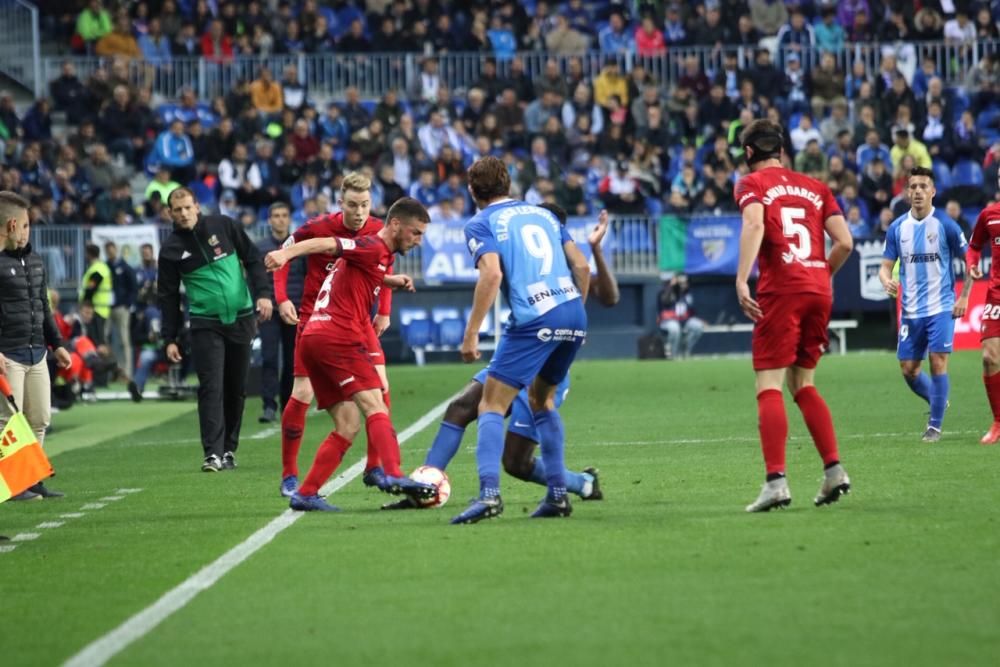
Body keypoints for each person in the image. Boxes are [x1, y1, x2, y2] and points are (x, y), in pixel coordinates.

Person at [388, 206, 618, 510]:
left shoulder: (565, 263)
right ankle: (425, 487)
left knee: (516, 462)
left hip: (543, 367)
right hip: (519, 352)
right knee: (461, 407)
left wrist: (595, 250)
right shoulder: (531, 257)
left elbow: (610, 297)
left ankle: (581, 484)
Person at [264, 198, 436, 512]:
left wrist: (389, 280)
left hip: (314, 336)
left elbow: (360, 269)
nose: (418, 240)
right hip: (338, 337)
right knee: (376, 405)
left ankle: (306, 492)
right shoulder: (371, 245)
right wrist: (285, 253)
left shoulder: (377, 254)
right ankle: (393, 473)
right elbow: (327, 244)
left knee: (347, 424)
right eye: (416, 233)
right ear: (396, 224)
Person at [454, 156, 591, 524]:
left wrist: (471, 334)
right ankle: (559, 496)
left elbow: (492, 275)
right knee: (542, 400)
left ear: (472, 190)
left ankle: (488, 495)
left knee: (491, 405)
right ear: (509, 185)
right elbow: (581, 266)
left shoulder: (481, 222)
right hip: (573, 311)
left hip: (534, 317)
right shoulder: (544, 215)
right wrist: (577, 315)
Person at [733, 119, 854, 513]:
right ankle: (834, 470)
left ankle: (776, 482)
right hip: (819, 290)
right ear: (781, 151)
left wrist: (741, 280)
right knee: (802, 383)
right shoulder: (816, 187)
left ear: (749, 153)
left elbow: (753, 223)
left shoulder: (751, 184)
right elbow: (846, 242)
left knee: (768, 384)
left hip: (781, 289)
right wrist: (818, 274)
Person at [272, 173, 393, 498]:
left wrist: (384, 310)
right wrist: (282, 296)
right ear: (341, 203)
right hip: (315, 319)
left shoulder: (376, 229)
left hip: (358, 321)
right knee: (302, 394)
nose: (359, 212)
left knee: (382, 388)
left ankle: (375, 468)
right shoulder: (318, 227)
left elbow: (386, 266)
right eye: (352, 205)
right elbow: (285, 253)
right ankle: (289, 475)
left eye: (365, 205)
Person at [157, 187, 273, 472]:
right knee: (211, 387)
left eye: (187, 207)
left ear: (197, 206)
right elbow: (168, 297)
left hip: (242, 318)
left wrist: (263, 293)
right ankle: (212, 453)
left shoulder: (223, 225)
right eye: (177, 209)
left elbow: (253, 258)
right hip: (205, 324)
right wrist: (169, 338)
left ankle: (229, 450)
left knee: (236, 388)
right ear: (169, 213)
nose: (183, 214)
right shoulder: (170, 250)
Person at [880, 167, 970, 442]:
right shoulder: (897, 228)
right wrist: (886, 280)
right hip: (911, 309)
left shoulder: (946, 224)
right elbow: (884, 267)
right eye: (913, 186)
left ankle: (934, 426)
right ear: (907, 192)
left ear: (933, 192)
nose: (918, 191)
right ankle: (938, 398)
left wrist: (964, 296)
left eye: (923, 186)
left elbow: (971, 262)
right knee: (909, 369)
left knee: (938, 360)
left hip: (941, 306)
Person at [0, 191, 73, 500]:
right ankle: (12, 484)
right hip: (9, 353)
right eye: (26, 225)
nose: (28, 231)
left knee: (40, 417)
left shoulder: (36, 261)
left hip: (37, 352)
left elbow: (43, 306)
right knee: (6, 422)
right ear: (12, 224)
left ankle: (32, 479)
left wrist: (57, 343)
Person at [256, 203, 300, 423]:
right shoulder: (261, 247)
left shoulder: (300, 246)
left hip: (294, 309)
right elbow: (255, 279)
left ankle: (287, 405)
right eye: (276, 216)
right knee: (269, 359)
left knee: (294, 361)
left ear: (289, 219)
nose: (280, 220)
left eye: (284, 215)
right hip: (269, 311)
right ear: (270, 220)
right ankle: (269, 406)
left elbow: (305, 277)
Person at [966, 172, 1000, 443]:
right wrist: (972, 264)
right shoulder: (989, 215)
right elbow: (974, 246)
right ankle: (998, 422)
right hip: (996, 295)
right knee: (989, 357)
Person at [104, 241, 137, 381]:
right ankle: (113, 370)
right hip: (106, 308)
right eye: (107, 250)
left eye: (112, 249)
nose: (110, 252)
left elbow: (134, 286)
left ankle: (127, 372)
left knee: (124, 340)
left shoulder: (124, 266)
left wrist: (128, 304)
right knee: (105, 339)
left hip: (121, 307)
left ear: (116, 249)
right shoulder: (105, 267)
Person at [657, 274, 704, 359]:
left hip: (684, 320)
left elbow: (691, 311)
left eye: (685, 283)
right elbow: (664, 302)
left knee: (698, 326)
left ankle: (685, 349)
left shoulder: (687, 294)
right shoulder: (666, 292)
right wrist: (671, 287)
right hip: (669, 320)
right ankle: (674, 355)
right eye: (681, 283)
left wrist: (699, 319)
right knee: (675, 329)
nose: (683, 285)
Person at [78, 244, 112, 347]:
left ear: (89, 254)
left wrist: (85, 306)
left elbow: (91, 289)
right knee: (97, 341)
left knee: (97, 342)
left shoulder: (98, 269)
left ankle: (101, 362)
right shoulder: (99, 267)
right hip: (97, 310)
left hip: (96, 310)